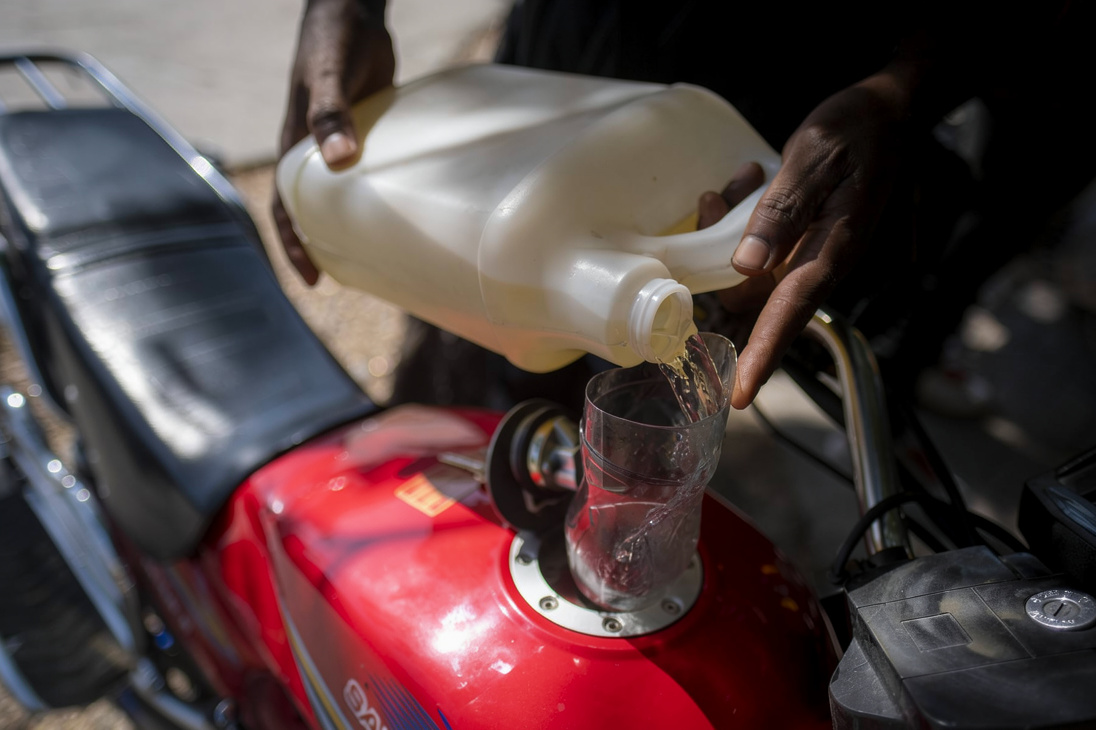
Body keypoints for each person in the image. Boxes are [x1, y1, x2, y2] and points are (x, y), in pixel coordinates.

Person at [274, 0, 1094, 411]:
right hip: (577, 51)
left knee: (661, 380)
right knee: (464, 353)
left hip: (797, 89)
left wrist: (904, 91)